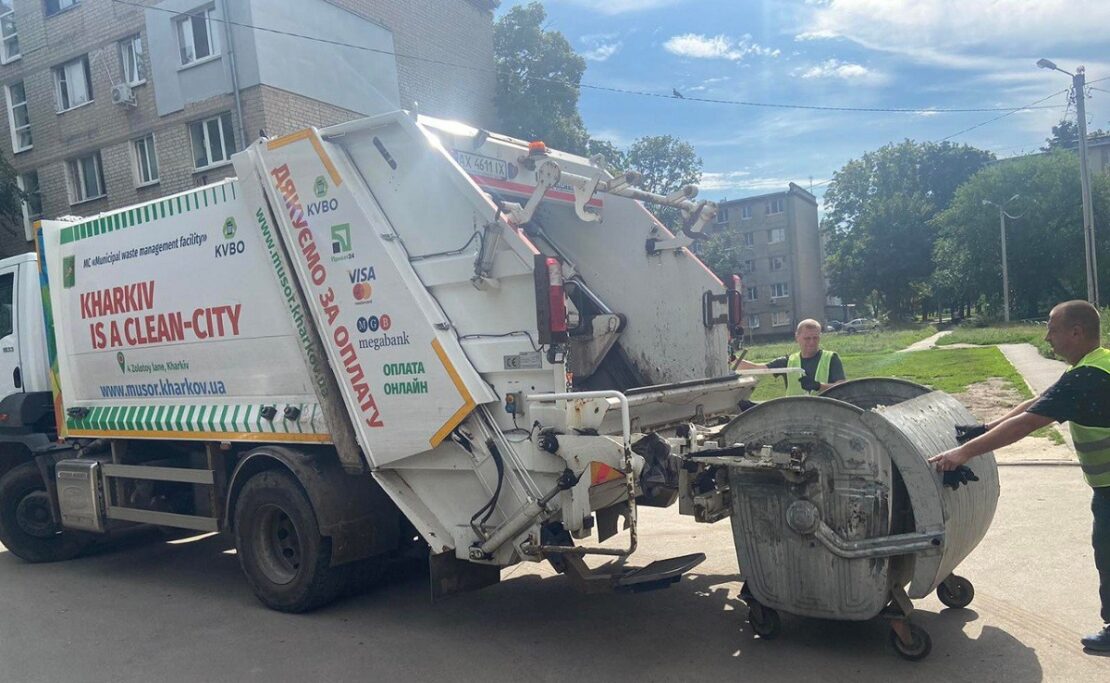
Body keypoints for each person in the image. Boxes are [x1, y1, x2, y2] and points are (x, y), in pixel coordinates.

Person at [929, 300, 1110, 653]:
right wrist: (985, 428)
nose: (1047, 337)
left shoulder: (1086, 378)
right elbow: (1037, 402)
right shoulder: (1096, 364)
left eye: (1052, 329)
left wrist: (962, 453)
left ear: (1076, 332)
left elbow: (1028, 424)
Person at [738, 318, 845, 395]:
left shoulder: (831, 358)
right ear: (797, 337)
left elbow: (843, 387)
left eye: (815, 338)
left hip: (825, 417)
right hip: (793, 418)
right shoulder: (788, 361)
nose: (812, 342)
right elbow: (758, 368)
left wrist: (819, 386)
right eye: (807, 338)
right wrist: (733, 360)